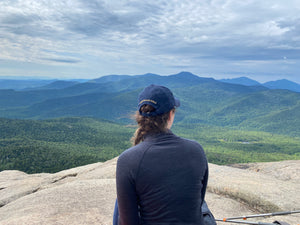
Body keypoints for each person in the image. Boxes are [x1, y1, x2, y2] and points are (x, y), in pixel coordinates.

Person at [115, 84, 210, 225]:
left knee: (120, 203)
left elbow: (128, 222)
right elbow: (199, 200)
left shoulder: (127, 160)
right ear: (171, 114)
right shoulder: (196, 150)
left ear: (140, 116)